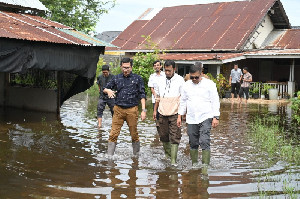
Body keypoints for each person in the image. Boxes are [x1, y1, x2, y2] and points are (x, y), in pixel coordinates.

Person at [177, 63, 220, 170]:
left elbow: (215, 101)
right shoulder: (186, 85)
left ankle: (205, 166)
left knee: (204, 140)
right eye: (192, 77)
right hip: (191, 118)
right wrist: (179, 116)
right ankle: (195, 164)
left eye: (196, 77)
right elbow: (183, 101)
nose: (194, 79)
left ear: (201, 74)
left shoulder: (210, 84)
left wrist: (216, 117)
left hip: (206, 115)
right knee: (192, 141)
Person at [103, 57, 147, 157]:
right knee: (113, 134)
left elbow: (142, 94)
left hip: (132, 110)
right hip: (118, 109)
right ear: (120, 67)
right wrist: (108, 91)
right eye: (123, 67)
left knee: (134, 134)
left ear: (131, 67)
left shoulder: (137, 78)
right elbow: (105, 89)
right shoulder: (116, 78)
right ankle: (110, 157)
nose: (125, 70)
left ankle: (136, 157)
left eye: (127, 68)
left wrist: (143, 110)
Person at [153, 60, 185, 166]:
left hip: (175, 113)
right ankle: (168, 155)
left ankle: (173, 161)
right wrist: (154, 110)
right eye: (165, 70)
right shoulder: (160, 80)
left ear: (174, 69)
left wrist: (181, 115)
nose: (167, 73)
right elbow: (157, 96)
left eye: (169, 70)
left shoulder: (180, 80)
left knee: (175, 137)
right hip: (162, 112)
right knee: (163, 136)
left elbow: (183, 98)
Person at [96, 65, 115, 129]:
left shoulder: (113, 77)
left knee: (114, 110)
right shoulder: (99, 77)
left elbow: (116, 86)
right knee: (99, 109)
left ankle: (114, 124)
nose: (104, 73)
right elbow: (98, 84)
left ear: (108, 71)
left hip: (110, 96)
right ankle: (99, 125)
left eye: (106, 72)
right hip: (102, 96)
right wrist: (100, 90)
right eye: (103, 72)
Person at [148, 60, 165, 126]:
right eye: (155, 65)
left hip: (164, 98)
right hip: (155, 98)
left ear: (161, 66)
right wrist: (155, 95)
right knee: (156, 114)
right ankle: (158, 131)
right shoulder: (152, 76)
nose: (156, 67)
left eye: (158, 65)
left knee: (164, 114)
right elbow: (151, 88)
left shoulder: (164, 75)